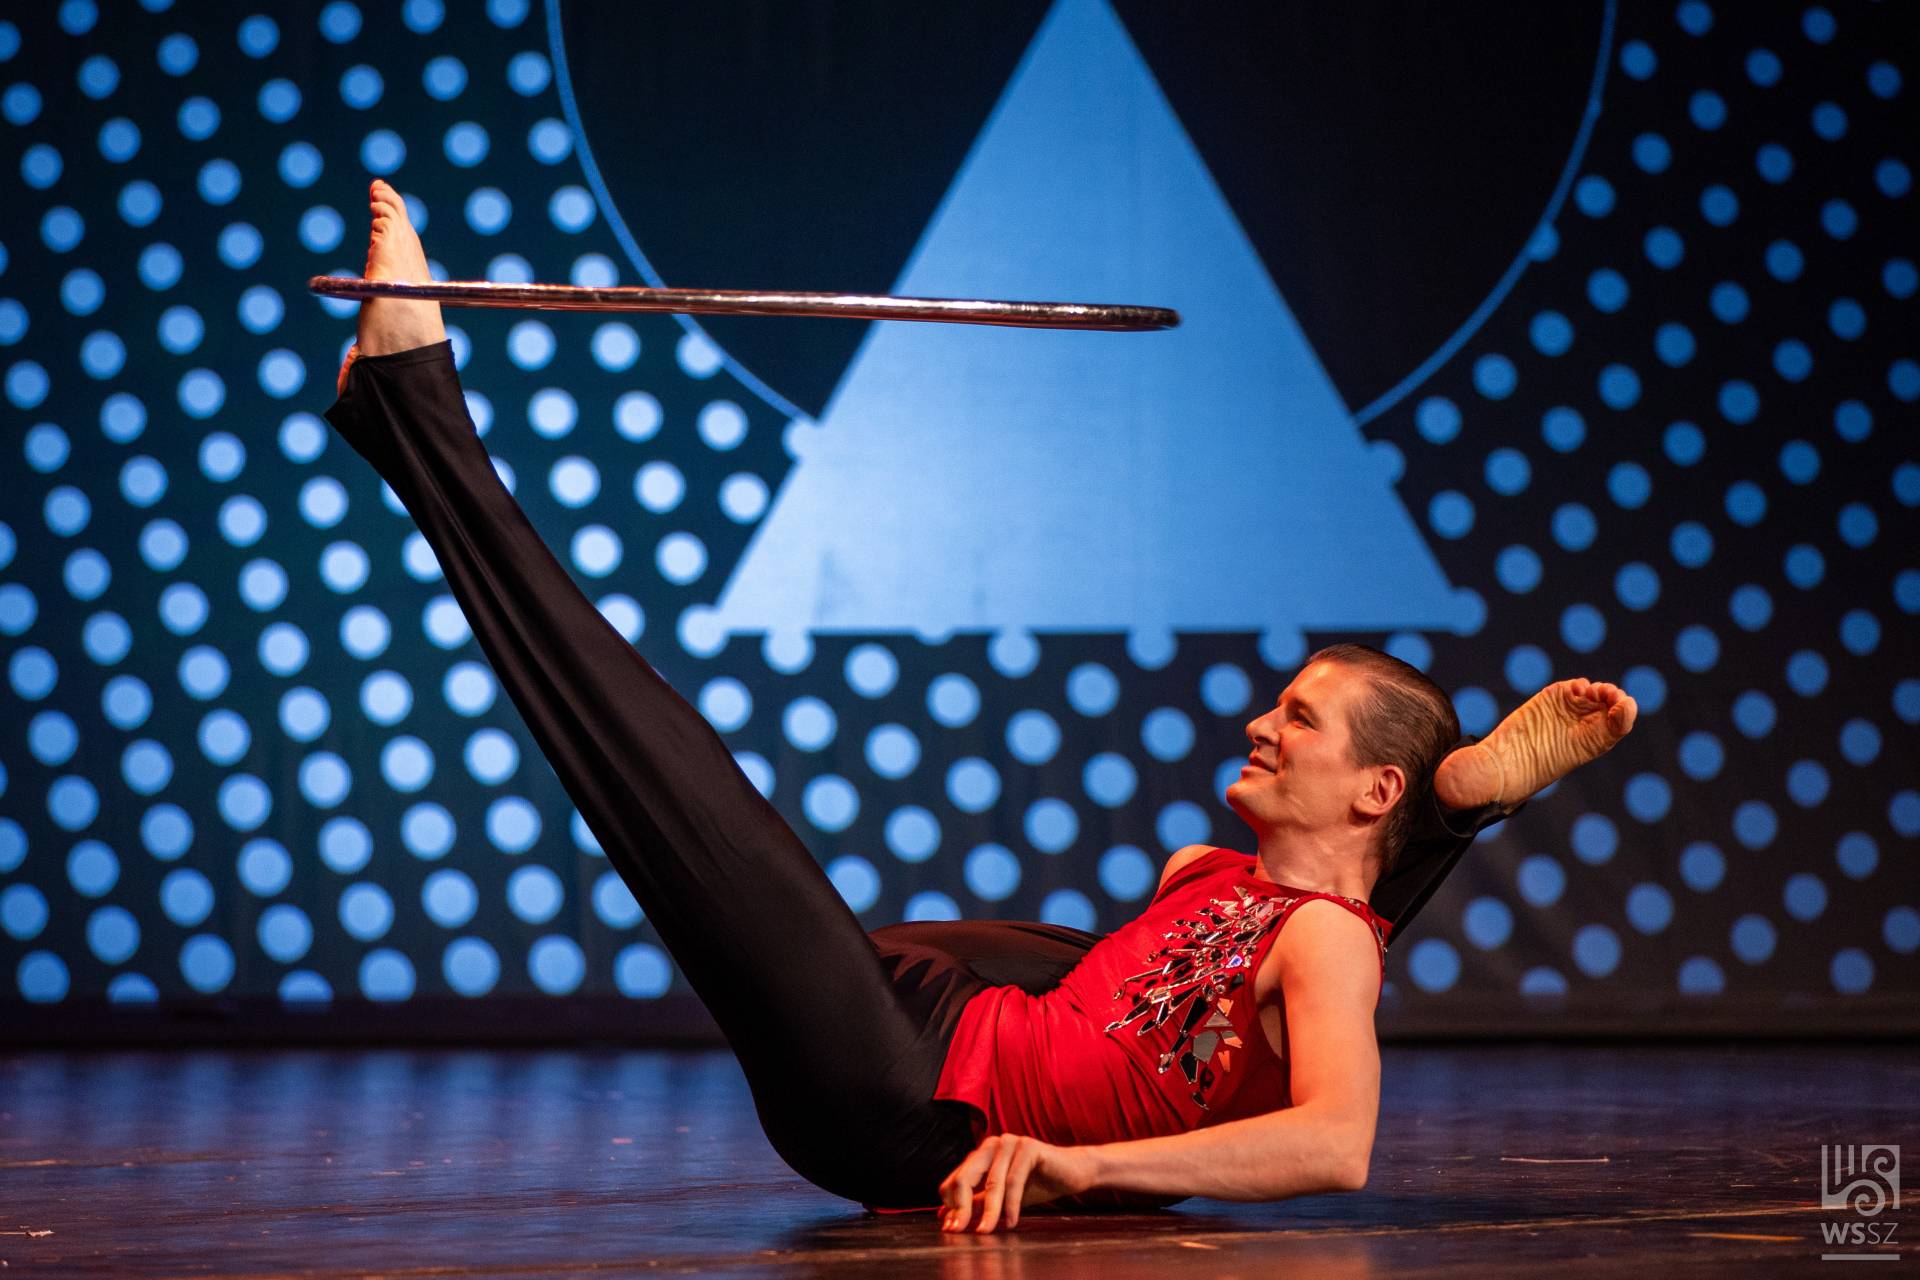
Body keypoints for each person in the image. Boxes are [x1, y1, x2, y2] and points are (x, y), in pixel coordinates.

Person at [326, 181, 1638, 1233]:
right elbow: (1331, 894)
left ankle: (416, 402)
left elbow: (1336, 1144)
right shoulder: (1212, 880)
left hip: (909, 1099)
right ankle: (1460, 807)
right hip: (953, 1022)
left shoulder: (1328, 947)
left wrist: (1077, 1172)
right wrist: (1437, 817)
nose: (1260, 725)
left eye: (1301, 719)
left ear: (1371, 784)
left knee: (672, 782)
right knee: (1134, 933)